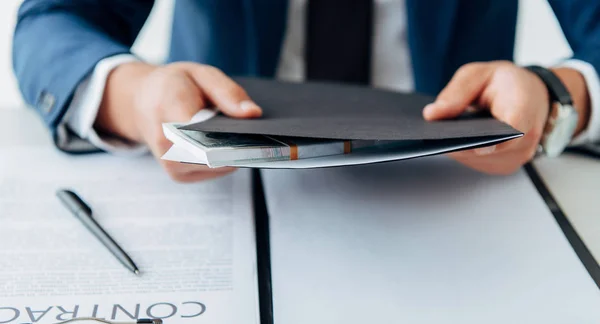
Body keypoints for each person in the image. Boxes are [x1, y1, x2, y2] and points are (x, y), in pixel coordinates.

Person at [12, 1, 600, 182]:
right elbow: (53, 23)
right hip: (234, 186)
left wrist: (562, 93)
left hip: (452, 182)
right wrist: (134, 95)